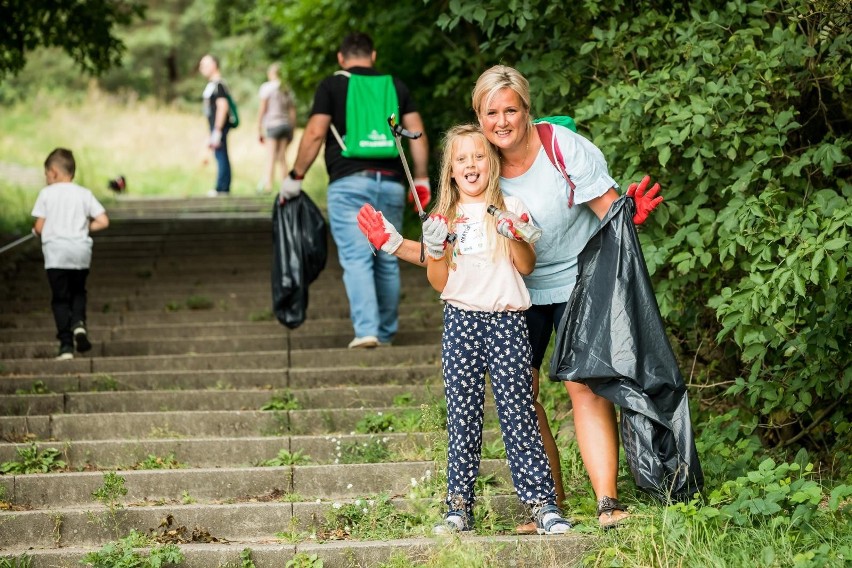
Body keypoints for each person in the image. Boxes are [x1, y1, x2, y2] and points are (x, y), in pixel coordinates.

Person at [358, 65, 663, 530]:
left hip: (575, 274)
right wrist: (399, 243)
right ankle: (548, 502)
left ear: (527, 111)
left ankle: (606, 501)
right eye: (491, 113)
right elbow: (449, 256)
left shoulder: (559, 149)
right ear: (478, 119)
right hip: (513, 294)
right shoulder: (479, 164)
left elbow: (606, 208)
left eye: (511, 110)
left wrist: (627, 216)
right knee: (523, 396)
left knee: (584, 384)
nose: (502, 122)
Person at [416, 123, 570, 535]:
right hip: (461, 322)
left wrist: (515, 233)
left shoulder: (512, 204)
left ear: (492, 163)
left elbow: (526, 265)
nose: (470, 165)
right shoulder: (442, 217)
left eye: (479, 156)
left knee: (518, 412)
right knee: (463, 416)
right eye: (461, 159)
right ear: (450, 170)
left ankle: (542, 504)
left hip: (507, 321)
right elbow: (440, 283)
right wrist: (435, 248)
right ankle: (458, 507)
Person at [279, 32, 430, 349]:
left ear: (341, 58)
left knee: (357, 258)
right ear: (373, 56)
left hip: (348, 183)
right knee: (390, 253)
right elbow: (417, 133)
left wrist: (296, 176)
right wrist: (420, 179)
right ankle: (386, 333)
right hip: (389, 181)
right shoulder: (395, 85)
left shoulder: (332, 85)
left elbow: (316, 132)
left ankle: (367, 331)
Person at [31, 148, 110, 361]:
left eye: (47, 174)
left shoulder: (46, 194)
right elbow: (103, 221)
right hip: (80, 253)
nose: (47, 178)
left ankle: (66, 345)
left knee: (59, 299)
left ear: (54, 172)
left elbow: (39, 227)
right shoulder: (84, 194)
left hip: (56, 255)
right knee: (78, 292)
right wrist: (84, 228)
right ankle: (79, 324)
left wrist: (36, 231)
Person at [257, 63, 297, 193]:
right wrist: (292, 128)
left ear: (271, 74)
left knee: (271, 156)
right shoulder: (286, 88)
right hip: (286, 125)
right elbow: (292, 112)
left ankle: (268, 185)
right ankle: (285, 185)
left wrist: (258, 126)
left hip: (273, 125)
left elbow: (263, 109)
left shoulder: (267, 88)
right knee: (282, 156)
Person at [199, 54, 233, 196]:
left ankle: (222, 188)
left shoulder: (218, 85)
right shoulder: (212, 85)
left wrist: (217, 130)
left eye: (205, 65)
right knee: (218, 155)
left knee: (221, 155)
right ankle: (221, 186)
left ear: (214, 65)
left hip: (220, 127)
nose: (202, 69)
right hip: (214, 127)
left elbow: (222, 106)